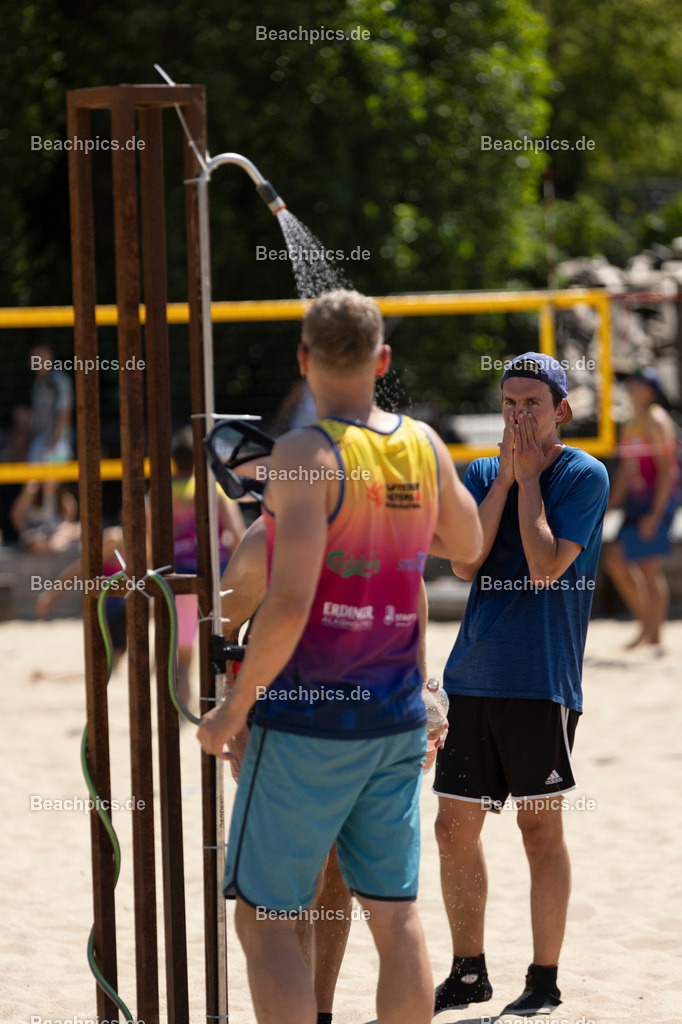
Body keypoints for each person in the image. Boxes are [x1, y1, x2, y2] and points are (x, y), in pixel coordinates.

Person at [197, 288, 482, 1024]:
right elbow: (468, 546)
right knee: (398, 919)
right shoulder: (421, 444)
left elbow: (287, 604)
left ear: (304, 361)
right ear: (382, 360)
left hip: (307, 722)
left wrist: (232, 708)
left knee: (263, 921)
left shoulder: (301, 453)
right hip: (393, 717)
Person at [433, 352, 609, 1017]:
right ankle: (469, 970)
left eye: (532, 404)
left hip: (542, 681)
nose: (518, 415)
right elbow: (465, 559)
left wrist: (530, 481)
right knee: (454, 830)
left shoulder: (582, 475)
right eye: (509, 403)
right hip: (472, 678)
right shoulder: (480, 471)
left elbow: (541, 568)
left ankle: (543, 977)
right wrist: (505, 481)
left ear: (560, 410)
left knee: (540, 833)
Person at [602, 366, 680, 648]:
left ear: (649, 389)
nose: (630, 385)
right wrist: (611, 505)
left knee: (648, 569)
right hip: (636, 503)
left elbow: (668, 469)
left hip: (655, 504)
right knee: (615, 561)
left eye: (636, 381)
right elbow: (626, 469)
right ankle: (647, 627)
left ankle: (653, 635)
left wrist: (656, 514)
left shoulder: (655, 418)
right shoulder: (632, 421)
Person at [170, 426, 245, 711]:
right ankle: (222, 712)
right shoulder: (212, 489)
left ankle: (182, 716)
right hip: (216, 575)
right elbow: (238, 534)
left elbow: (151, 542)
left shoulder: (162, 492)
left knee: (184, 655)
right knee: (224, 649)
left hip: (179, 576)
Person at [28, 343, 74, 463]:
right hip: (40, 439)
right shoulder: (38, 383)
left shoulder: (59, 381)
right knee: (30, 479)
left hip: (59, 441)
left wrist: (54, 442)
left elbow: (64, 413)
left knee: (51, 478)